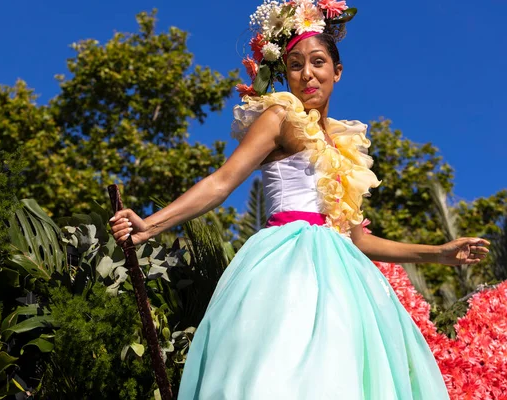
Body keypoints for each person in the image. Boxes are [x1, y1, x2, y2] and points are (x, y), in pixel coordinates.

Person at [110, 1, 490, 398]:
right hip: (283, 267)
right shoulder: (279, 117)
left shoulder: (345, 147)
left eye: (318, 61)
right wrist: (149, 226)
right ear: (285, 73)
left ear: (337, 72)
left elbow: (356, 238)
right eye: (294, 64)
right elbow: (222, 183)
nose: (307, 73)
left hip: (345, 277)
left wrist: (440, 253)